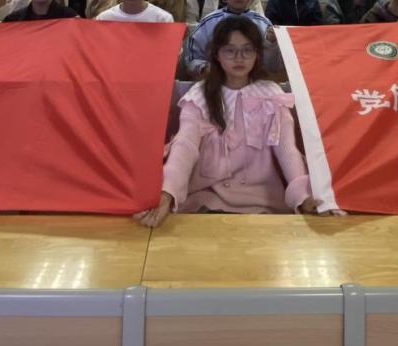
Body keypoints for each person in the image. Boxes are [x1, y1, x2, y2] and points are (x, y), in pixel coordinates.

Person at [136, 16, 317, 226]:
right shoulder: (199, 94)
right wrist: (167, 193)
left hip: (263, 200)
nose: (239, 58)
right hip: (205, 198)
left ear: (257, 54)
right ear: (217, 54)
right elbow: (185, 146)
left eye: (247, 50)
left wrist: (303, 196)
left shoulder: (272, 94)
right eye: (230, 51)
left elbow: (287, 150)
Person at [184, 0, 281, 77]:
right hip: (215, 80)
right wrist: (204, 69)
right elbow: (191, 59)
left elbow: (273, 67)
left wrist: (272, 44)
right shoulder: (208, 22)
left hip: (253, 82)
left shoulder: (263, 24)